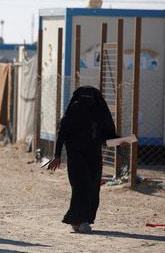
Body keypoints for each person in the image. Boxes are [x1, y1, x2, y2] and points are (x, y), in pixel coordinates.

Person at [47, 86, 117, 233]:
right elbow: (62, 134)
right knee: (81, 186)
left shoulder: (99, 114)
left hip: (94, 155)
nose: (86, 102)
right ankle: (79, 220)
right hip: (75, 155)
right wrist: (57, 155)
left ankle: (83, 219)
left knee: (93, 186)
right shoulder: (73, 112)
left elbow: (107, 134)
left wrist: (119, 141)